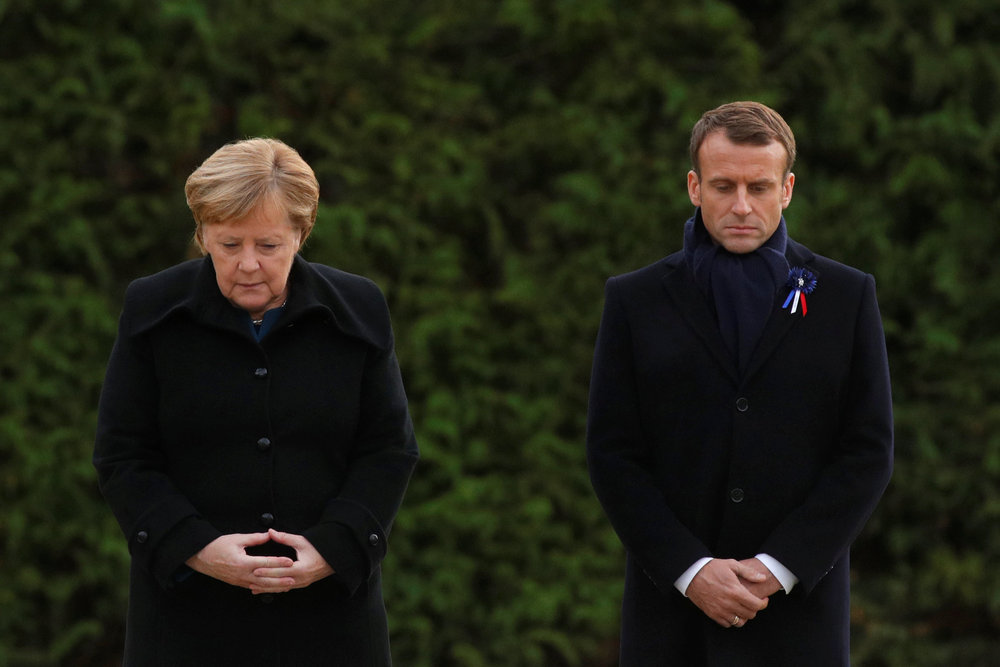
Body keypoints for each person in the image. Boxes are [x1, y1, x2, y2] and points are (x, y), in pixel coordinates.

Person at [586, 101, 893, 665]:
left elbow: (867, 451)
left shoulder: (846, 296)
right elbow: (613, 453)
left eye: (760, 186)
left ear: (788, 189)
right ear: (694, 186)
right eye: (724, 186)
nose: (742, 206)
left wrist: (779, 567)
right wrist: (690, 570)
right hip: (671, 621)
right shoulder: (634, 300)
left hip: (800, 619)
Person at [94, 138, 419, 665]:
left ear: (300, 233)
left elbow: (389, 450)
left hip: (331, 624)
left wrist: (333, 549)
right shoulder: (151, 308)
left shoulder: (360, 309)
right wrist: (196, 548)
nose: (248, 265)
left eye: (268, 246)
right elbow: (123, 455)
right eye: (228, 245)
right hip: (185, 624)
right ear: (201, 235)